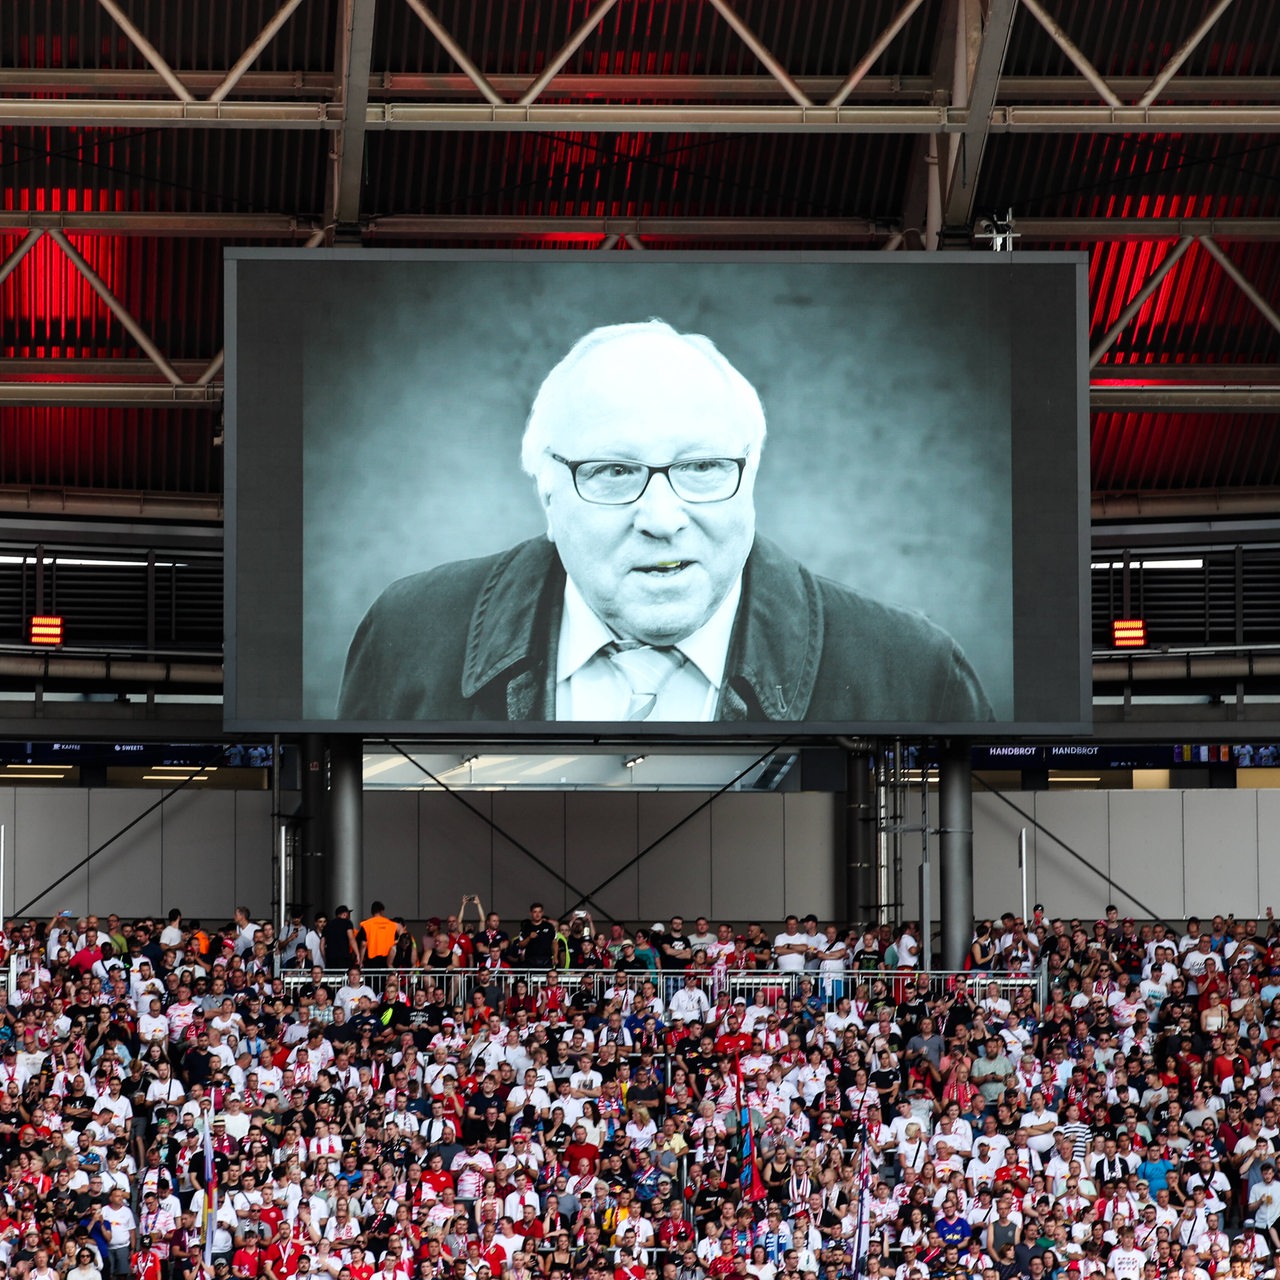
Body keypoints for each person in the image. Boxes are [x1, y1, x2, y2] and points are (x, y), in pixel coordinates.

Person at [338, 319, 993, 724]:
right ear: (547, 492)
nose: (662, 518)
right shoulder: (408, 634)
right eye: (614, 473)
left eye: (703, 468)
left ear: (751, 478)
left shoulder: (916, 673)